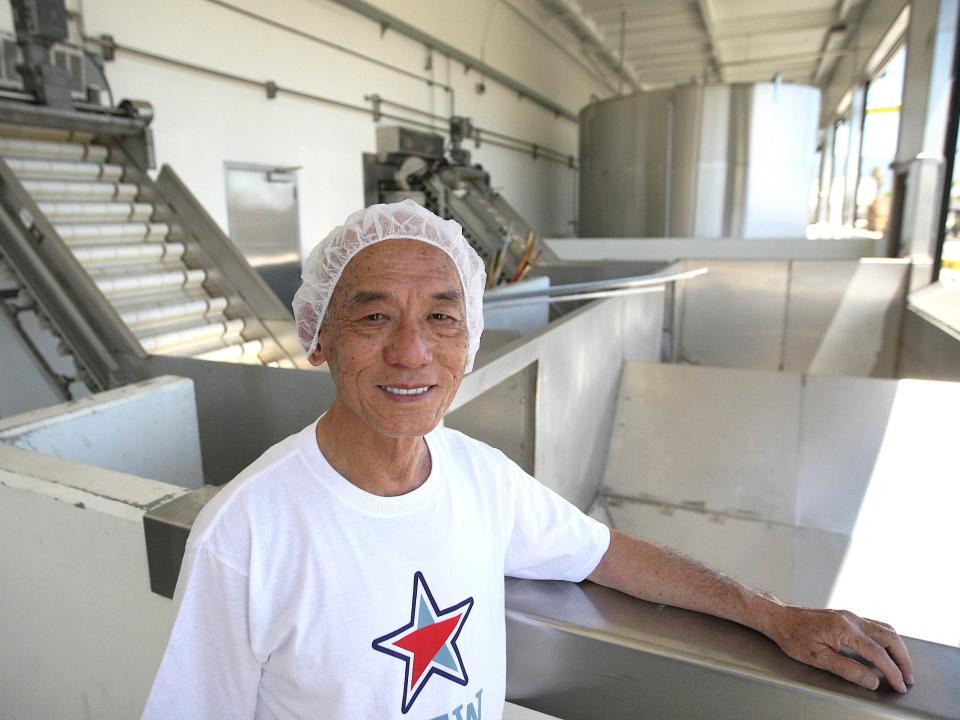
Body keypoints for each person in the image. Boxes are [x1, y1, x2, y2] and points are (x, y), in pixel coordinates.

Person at [142, 200, 913, 719]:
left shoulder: (479, 479)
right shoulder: (247, 535)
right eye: (374, 315)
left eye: (441, 317)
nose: (411, 351)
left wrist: (771, 613)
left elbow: (608, 556)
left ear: (469, 336)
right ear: (319, 337)